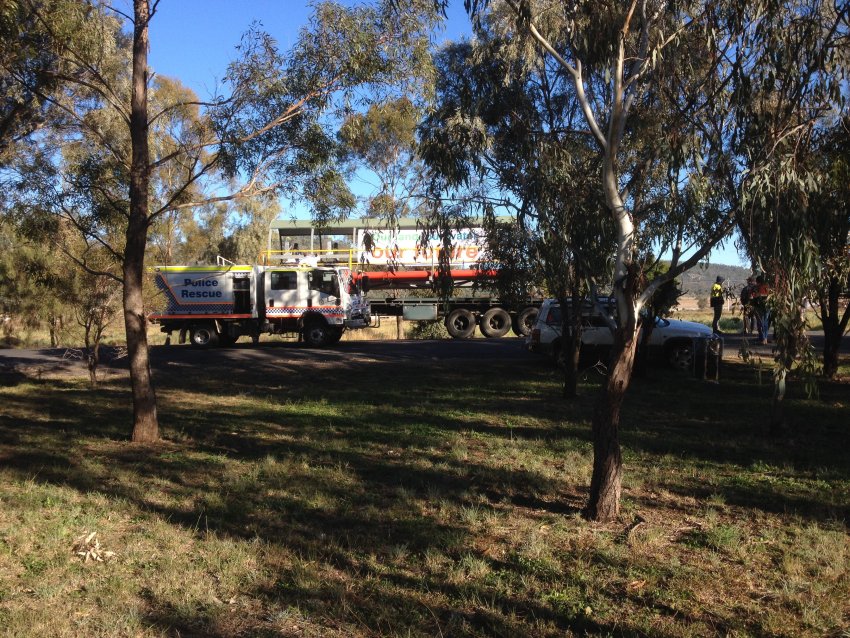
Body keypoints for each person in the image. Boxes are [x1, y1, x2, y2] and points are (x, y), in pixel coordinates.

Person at [752, 274, 770, 344]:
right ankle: (765, 338)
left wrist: (759, 295)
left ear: (758, 282)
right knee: (765, 322)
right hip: (767, 306)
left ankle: (763, 338)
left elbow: (754, 296)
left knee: (762, 323)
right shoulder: (767, 286)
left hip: (760, 307)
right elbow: (769, 295)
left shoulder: (757, 287)